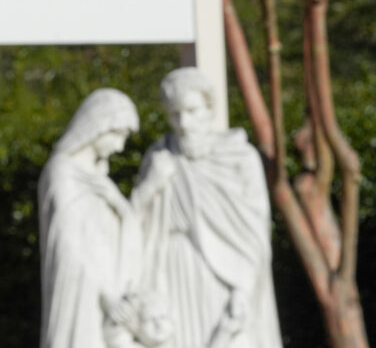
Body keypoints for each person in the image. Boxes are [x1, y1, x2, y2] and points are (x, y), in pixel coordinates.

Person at [132, 67, 280, 348]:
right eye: (175, 114)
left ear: (209, 109)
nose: (184, 123)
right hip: (171, 270)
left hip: (225, 274)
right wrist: (151, 185)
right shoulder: (158, 159)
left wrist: (246, 285)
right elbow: (133, 226)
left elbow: (256, 233)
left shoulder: (238, 159)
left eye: (192, 111)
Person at [39, 89, 167, 348]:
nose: (120, 146)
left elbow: (122, 231)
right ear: (98, 125)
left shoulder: (99, 179)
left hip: (112, 298)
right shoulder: (62, 172)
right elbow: (68, 245)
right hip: (80, 295)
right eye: (117, 134)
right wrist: (106, 293)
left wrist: (137, 194)